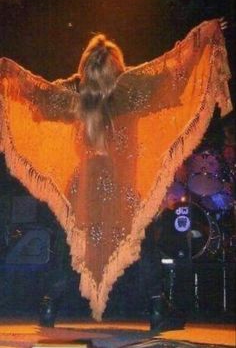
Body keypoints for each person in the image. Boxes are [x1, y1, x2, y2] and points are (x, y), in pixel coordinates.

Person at [0, 19, 232, 324]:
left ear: (85, 65)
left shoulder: (74, 93)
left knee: (71, 245)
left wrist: (9, 74)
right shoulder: (131, 89)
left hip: (80, 187)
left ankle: (48, 304)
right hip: (121, 188)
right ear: (117, 65)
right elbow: (171, 74)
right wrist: (202, 41)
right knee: (139, 244)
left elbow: (38, 95)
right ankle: (158, 308)